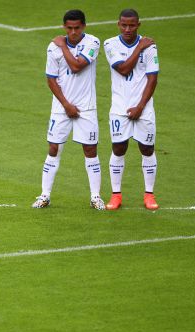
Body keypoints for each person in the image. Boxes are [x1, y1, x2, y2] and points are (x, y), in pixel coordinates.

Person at [32, 9, 105, 210]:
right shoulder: (51, 48)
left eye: (77, 28)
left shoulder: (92, 42)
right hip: (61, 107)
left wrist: (63, 45)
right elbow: (51, 79)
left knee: (90, 149)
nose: (73, 32)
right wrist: (66, 105)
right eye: (69, 28)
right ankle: (44, 195)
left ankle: (95, 197)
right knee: (53, 148)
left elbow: (77, 65)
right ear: (64, 27)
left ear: (84, 26)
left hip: (86, 108)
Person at [102, 8, 160, 211]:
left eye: (132, 25)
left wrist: (140, 107)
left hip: (144, 109)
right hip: (119, 109)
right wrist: (139, 48)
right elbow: (123, 68)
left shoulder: (150, 47)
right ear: (118, 24)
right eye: (124, 25)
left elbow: (153, 79)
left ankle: (149, 194)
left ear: (138, 25)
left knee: (147, 148)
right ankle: (116, 195)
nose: (128, 29)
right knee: (119, 148)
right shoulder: (110, 44)